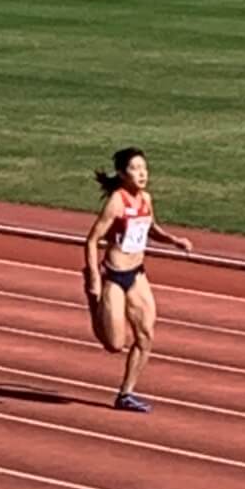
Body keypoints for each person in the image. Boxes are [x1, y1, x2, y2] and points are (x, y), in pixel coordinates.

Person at [83, 147, 192, 412]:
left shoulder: (146, 198)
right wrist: (94, 278)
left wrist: (173, 240)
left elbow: (150, 228)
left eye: (144, 167)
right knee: (114, 345)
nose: (142, 173)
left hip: (137, 274)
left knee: (145, 337)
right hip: (114, 276)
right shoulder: (117, 202)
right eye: (135, 168)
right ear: (122, 173)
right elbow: (92, 240)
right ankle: (92, 301)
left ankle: (126, 394)